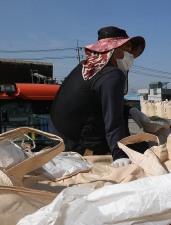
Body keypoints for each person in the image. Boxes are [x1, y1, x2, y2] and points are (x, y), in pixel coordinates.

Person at [49, 26, 150, 167]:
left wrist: (130, 110)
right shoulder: (112, 75)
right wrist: (119, 155)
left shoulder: (86, 68)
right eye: (127, 49)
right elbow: (114, 119)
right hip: (78, 146)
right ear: (113, 50)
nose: (131, 55)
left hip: (59, 138)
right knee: (147, 150)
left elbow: (95, 102)